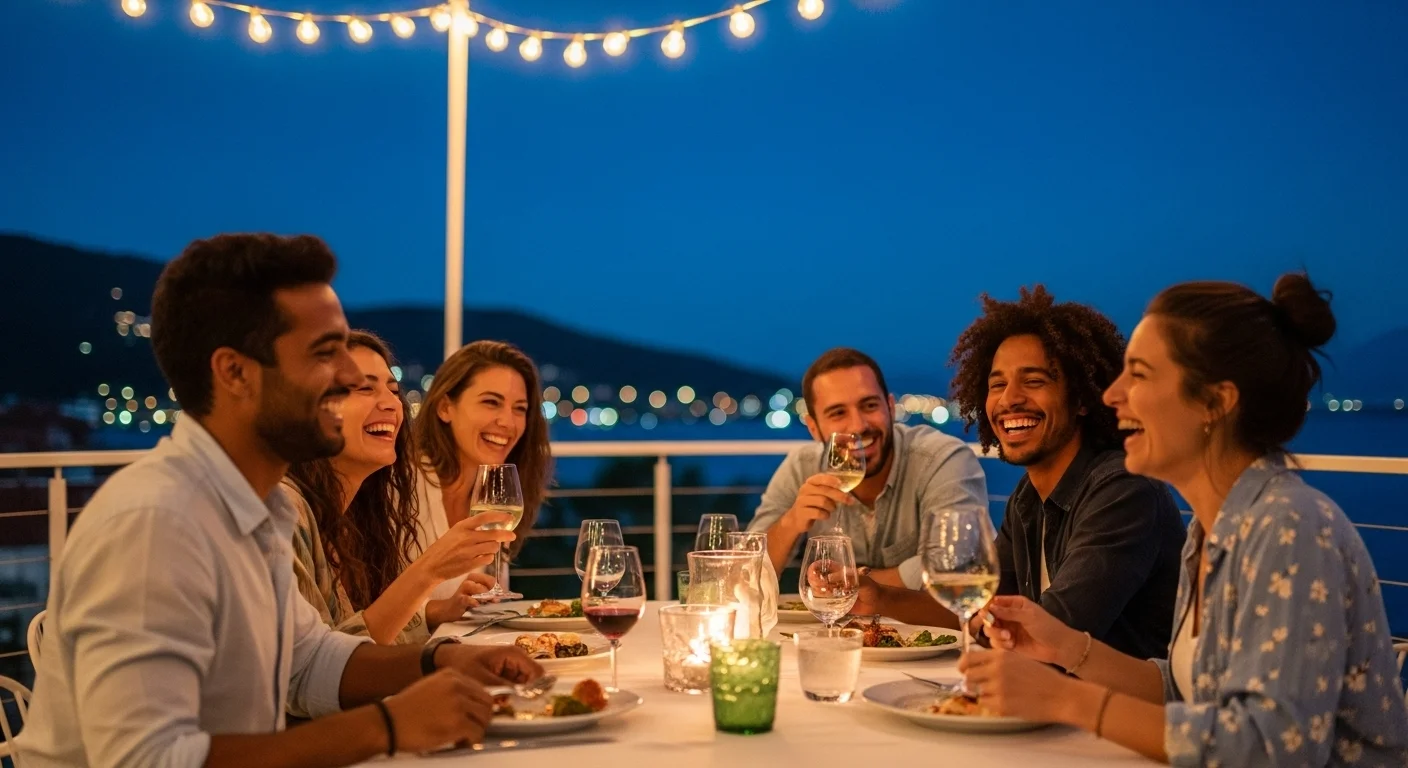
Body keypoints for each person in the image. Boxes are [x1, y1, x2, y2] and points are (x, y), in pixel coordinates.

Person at [16, 234, 542, 768]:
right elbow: (148, 760)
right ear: (235, 373)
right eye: (324, 353)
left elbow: (306, 661)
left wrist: (445, 659)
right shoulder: (158, 522)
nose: (345, 376)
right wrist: (388, 726)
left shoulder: (260, 508)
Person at [962, 273, 1408, 765]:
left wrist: (1067, 699)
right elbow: (1181, 691)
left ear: (1215, 402)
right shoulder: (1210, 530)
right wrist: (1065, 647)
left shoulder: (1290, 527)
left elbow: (1272, 748)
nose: (1112, 395)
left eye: (1140, 374)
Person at [855, 288, 1185, 659]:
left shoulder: (1123, 491)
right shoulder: (1028, 498)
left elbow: (1049, 634)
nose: (1009, 398)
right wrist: (880, 597)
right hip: (1049, 698)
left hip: (1112, 711)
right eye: (997, 384)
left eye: (1034, 381)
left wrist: (987, 620)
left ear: (1080, 399)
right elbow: (981, 608)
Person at [283, 330, 511, 645]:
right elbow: (319, 668)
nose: (391, 403)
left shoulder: (357, 519)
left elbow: (358, 633)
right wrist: (430, 570)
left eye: (393, 389)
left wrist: (437, 612)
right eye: (364, 388)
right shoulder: (285, 511)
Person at [748, 347, 988, 588]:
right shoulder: (802, 466)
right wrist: (791, 523)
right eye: (838, 412)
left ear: (890, 408)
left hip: (926, 626)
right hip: (831, 625)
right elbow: (745, 570)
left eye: (870, 405)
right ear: (813, 427)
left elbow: (960, 562)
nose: (858, 425)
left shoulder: (940, 458)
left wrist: (852, 583)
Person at [413, 340, 553, 601]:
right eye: (491, 402)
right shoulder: (404, 485)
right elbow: (363, 616)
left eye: (519, 409)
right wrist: (435, 615)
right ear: (445, 408)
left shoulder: (496, 497)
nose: (507, 422)